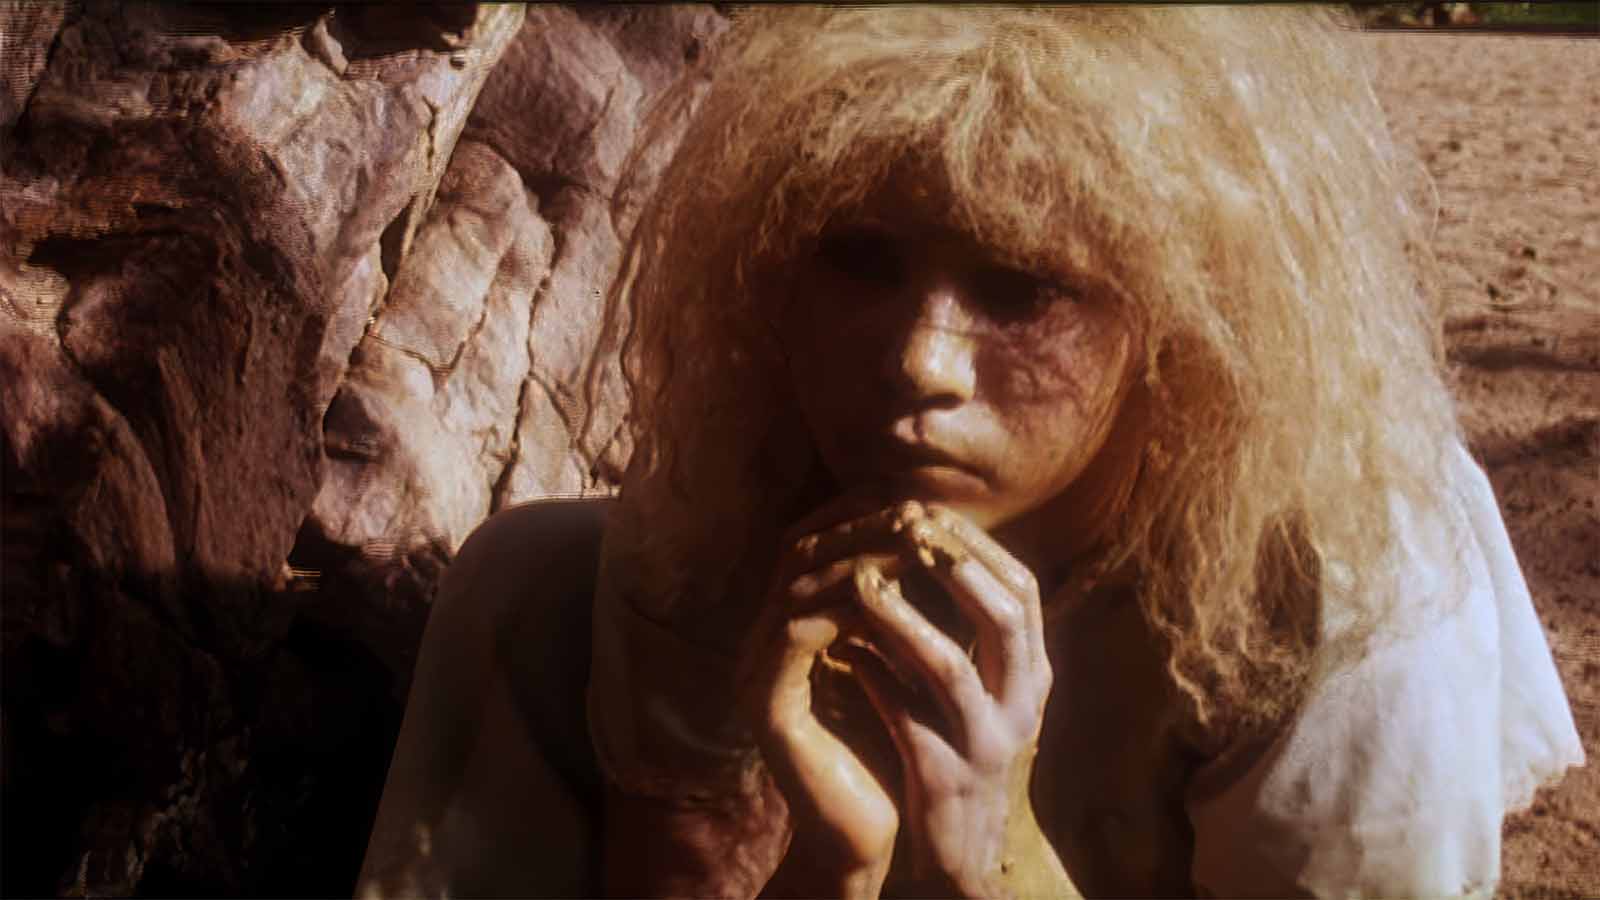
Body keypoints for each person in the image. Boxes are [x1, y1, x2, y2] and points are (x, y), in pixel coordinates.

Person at [356, 6, 1584, 898]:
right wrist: (825, 861)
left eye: (1022, 288)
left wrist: (985, 857)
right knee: (530, 576)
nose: (919, 362)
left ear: (1175, 325)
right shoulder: (730, 494)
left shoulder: (1340, 582)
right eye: (859, 260)